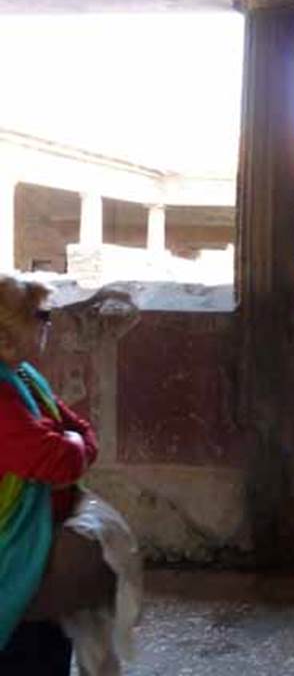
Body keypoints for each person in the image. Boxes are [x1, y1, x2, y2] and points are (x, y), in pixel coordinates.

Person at [0, 276, 115, 674]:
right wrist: (73, 446)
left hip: (35, 551)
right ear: (6, 337)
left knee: (49, 639)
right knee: (25, 650)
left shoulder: (24, 377)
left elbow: (80, 431)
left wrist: (73, 444)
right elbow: (59, 458)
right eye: (38, 317)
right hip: (11, 558)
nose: (47, 325)